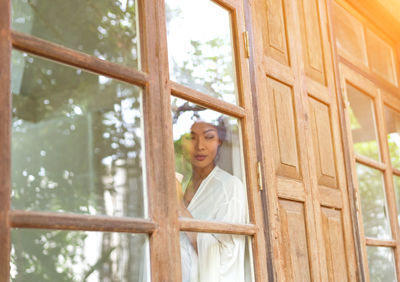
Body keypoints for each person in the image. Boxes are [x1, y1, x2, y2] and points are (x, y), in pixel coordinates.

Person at [176, 120, 248, 282]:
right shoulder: (184, 185)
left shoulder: (230, 186)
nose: (200, 146)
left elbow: (228, 255)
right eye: (192, 138)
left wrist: (178, 204)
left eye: (208, 137)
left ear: (219, 142)